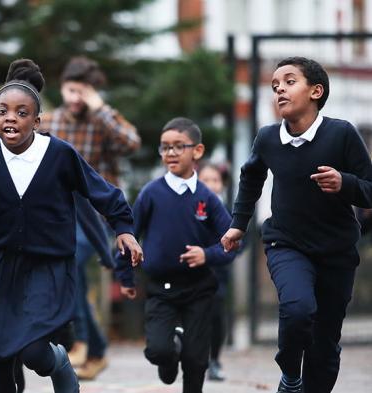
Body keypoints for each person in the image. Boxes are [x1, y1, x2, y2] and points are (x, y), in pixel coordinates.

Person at [0, 58, 143, 393]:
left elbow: (102, 193)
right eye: (3, 111)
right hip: (2, 266)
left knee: (33, 353)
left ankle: (58, 362)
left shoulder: (59, 154)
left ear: (38, 121)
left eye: (21, 112)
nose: (10, 117)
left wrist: (124, 229)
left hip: (50, 266)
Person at [221, 57, 371, 393]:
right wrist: (238, 224)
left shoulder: (342, 134)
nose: (279, 90)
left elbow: (369, 189)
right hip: (286, 242)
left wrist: (344, 183)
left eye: (289, 82)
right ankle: (290, 375)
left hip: (337, 250)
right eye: (275, 86)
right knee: (298, 309)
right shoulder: (268, 138)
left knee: (324, 344)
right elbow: (250, 177)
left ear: (316, 91)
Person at [39, 56, 141, 379]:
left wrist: (100, 109)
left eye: (83, 92)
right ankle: (94, 347)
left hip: (95, 218)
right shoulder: (51, 122)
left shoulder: (102, 121)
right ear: (62, 89)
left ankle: (81, 341)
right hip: (59, 216)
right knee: (68, 272)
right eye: (71, 90)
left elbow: (131, 143)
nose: (75, 98)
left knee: (69, 260)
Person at [116, 117, 235, 393]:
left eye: (178, 146)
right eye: (165, 147)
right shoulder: (151, 193)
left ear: (197, 151)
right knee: (158, 350)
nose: (170, 153)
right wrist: (126, 276)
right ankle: (171, 353)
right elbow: (127, 236)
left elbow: (230, 243)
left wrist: (207, 255)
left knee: (196, 359)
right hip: (161, 289)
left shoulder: (208, 198)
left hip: (199, 289)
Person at [197, 161, 231, 382]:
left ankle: (215, 360)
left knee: (216, 317)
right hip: (191, 272)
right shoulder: (192, 206)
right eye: (205, 180)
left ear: (222, 185)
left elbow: (239, 241)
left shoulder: (226, 211)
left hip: (218, 273)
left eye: (215, 180)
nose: (210, 185)